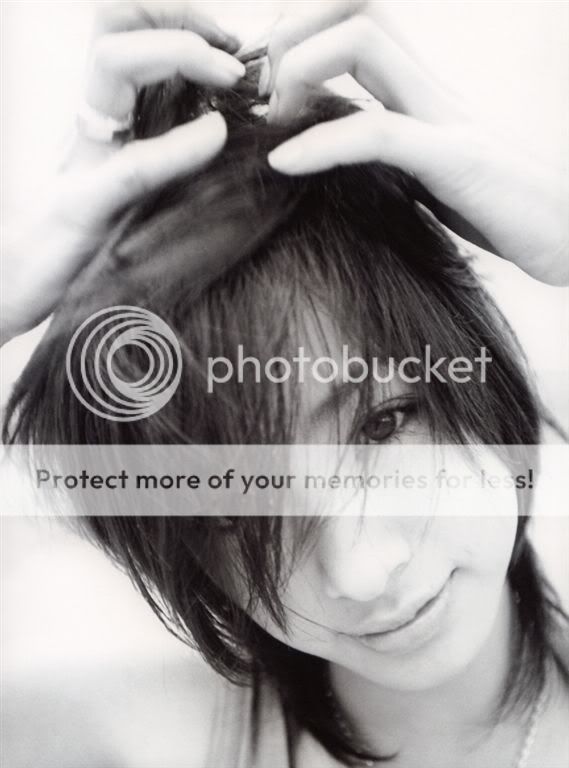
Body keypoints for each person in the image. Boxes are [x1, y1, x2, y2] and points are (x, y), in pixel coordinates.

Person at [2, 3, 568, 767]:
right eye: (234, 507)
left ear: (467, 338)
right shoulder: (119, 740)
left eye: (381, 423)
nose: (361, 573)